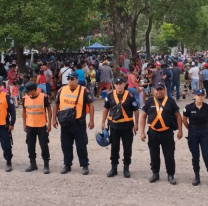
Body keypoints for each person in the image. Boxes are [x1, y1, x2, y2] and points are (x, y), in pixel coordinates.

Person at [140, 82, 183, 185]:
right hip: (153, 132)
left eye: (161, 89)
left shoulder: (171, 102)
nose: (159, 92)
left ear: (165, 90)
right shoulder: (149, 102)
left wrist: (180, 131)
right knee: (154, 154)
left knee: (169, 154)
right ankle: (155, 173)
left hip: (167, 132)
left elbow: (178, 116)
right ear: (153, 90)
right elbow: (143, 117)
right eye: (157, 89)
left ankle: (171, 174)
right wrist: (142, 132)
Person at [53, 72, 94, 175]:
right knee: (65, 145)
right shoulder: (62, 90)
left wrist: (91, 120)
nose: (70, 81)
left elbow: (91, 105)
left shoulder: (84, 90)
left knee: (81, 145)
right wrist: (54, 119)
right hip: (65, 122)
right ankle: (67, 165)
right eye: (69, 79)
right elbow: (56, 104)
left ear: (77, 80)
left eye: (72, 79)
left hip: (78, 123)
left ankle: (84, 165)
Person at [101, 77, 139, 178]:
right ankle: (114, 168)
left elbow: (136, 110)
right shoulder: (109, 96)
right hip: (114, 126)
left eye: (120, 83)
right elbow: (105, 109)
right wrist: (102, 122)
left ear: (124, 84)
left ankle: (126, 167)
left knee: (127, 147)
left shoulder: (130, 96)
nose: (118, 85)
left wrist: (136, 124)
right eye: (117, 84)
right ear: (114, 85)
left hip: (127, 126)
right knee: (114, 147)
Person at [22, 82, 52, 174]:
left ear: (33, 90)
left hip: (41, 125)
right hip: (30, 126)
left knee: (44, 145)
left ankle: (46, 164)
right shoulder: (25, 99)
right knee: (30, 145)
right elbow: (24, 112)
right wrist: (24, 124)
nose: (26, 93)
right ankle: (33, 164)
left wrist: (49, 124)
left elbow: (49, 110)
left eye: (28, 91)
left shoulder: (44, 97)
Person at [182, 89, 208, 186]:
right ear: (194, 96)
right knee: (195, 156)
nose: (200, 97)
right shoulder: (189, 107)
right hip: (193, 132)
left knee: (206, 155)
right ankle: (197, 176)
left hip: (205, 132)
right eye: (198, 95)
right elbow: (184, 119)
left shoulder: (206, 107)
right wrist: (190, 128)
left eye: (202, 95)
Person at [0, 79, 16, 172]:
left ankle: (8, 161)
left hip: (3, 125)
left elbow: (12, 111)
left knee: (6, 144)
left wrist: (12, 123)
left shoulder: (6, 97)